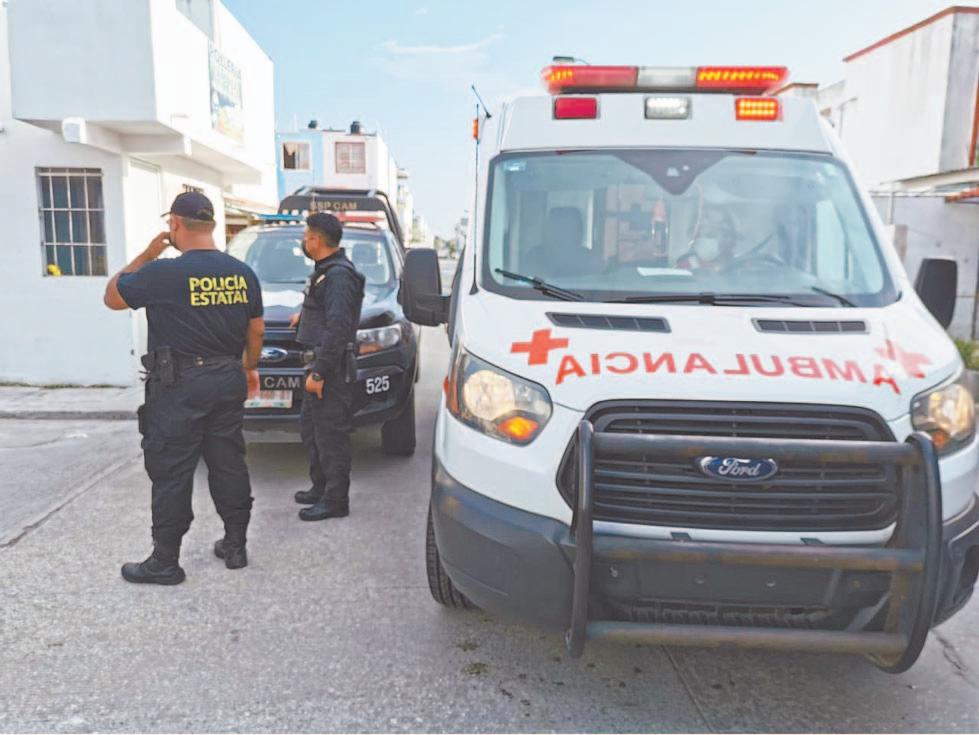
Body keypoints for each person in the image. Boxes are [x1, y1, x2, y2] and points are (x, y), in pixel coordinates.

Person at [103, 192, 264, 585]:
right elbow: (257, 330)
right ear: (212, 225)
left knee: (171, 469)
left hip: (180, 386)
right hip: (227, 377)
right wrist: (249, 368)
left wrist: (147, 254)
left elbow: (112, 298)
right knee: (228, 462)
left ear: (174, 224)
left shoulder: (162, 273)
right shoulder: (242, 273)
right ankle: (236, 546)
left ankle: (165, 561)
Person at [292, 212, 365, 521]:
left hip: (330, 369)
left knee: (331, 437)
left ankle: (336, 501)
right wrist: (305, 316)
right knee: (313, 432)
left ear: (316, 240)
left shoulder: (339, 276)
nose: (303, 241)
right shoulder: (324, 271)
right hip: (318, 363)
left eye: (305, 236)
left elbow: (338, 328)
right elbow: (325, 311)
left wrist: (320, 372)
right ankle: (320, 487)